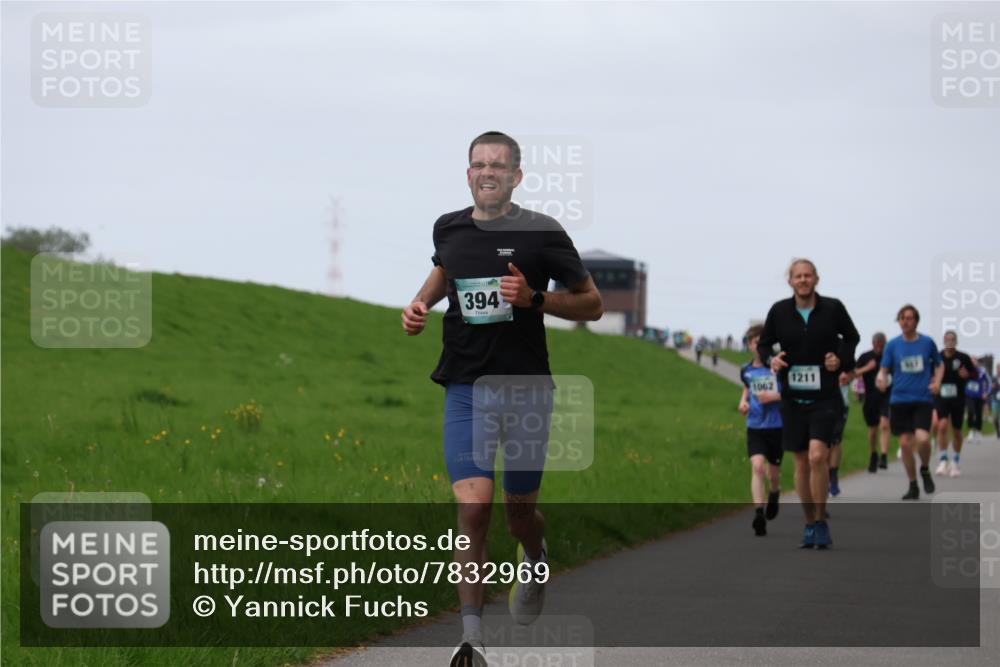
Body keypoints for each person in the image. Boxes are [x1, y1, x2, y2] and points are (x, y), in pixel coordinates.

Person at [401, 131, 603, 666]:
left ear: (516, 175)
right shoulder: (449, 227)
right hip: (466, 386)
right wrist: (418, 306)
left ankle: (535, 555)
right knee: (473, 507)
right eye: (477, 164)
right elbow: (445, 272)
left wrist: (534, 298)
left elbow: (593, 304)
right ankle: (471, 639)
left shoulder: (542, 232)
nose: (486, 172)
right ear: (467, 173)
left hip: (526, 390)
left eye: (497, 165)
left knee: (518, 516)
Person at [757, 258, 859, 549]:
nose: (802, 280)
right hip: (793, 398)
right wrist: (770, 359)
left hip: (825, 396)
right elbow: (764, 344)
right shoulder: (779, 311)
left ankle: (822, 521)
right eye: (797, 276)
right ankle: (810, 522)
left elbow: (852, 337)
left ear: (816, 279)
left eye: (807, 275)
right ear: (790, 281)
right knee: (801, 461)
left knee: (817, 456)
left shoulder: (833, 308)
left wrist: (840, 359)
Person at [877, 305, 943, 500]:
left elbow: (940, 365)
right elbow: (884, 369)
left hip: (923, 398)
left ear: (916, 321)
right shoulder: (892, 345)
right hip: (899, 400)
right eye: (902, 318)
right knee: (905, 444)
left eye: (910, 318)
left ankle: (924, 468)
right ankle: (913, 484)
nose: (905, 321)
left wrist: (937, 382)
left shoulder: (927, 343)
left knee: (922, 439)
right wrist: (881, 378)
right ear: (898, 321)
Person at [738, 324, 783, 536]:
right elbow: (747, 387)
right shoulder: (745, 370)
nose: (759, 346)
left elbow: (789, 393)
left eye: (763, 342)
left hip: (776, 426)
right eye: (756, 343)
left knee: (773, 475)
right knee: (757, 467)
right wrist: (743, 402)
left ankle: (774, 493)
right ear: (749, 345)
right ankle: (758, 513)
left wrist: (773, 397)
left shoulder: (777, 366)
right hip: (755, 425)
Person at [932, 331, 976, 477]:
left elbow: (974, 374)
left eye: (952, 340)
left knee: (957, 431)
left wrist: (968, 375)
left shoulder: (963, 357)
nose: (950, 342)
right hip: (942, 397)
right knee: (942, 425)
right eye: (947, 340)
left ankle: (955, 461)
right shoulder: (937, 357)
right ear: (944, 341)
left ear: (956, 342)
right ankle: (944, 459)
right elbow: (930, 374)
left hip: (958, 398)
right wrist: (933, 383)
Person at [853, 333, 891, 472]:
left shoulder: (890, 357)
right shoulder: (865, 356)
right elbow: (853, 374)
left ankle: (884, 456)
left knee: (885, 424)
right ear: (873, 343)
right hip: (870, 398)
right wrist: (867, 368)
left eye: (882, 345)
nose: (880, 348)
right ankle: (873, 454)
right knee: (873, 431)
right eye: (877, 344)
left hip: (887, 397)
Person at [965, 357, 992, 443]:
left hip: (979, 396)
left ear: (977, 363)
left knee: (978, 414)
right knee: (971, 411)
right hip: (969, 395)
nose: (973, 363)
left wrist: (986, 393)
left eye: (974, 361)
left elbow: (989, 382)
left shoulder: (982, 371)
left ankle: (978, 432)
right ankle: (970, 431)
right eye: (971, 361)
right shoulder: (966, 370)